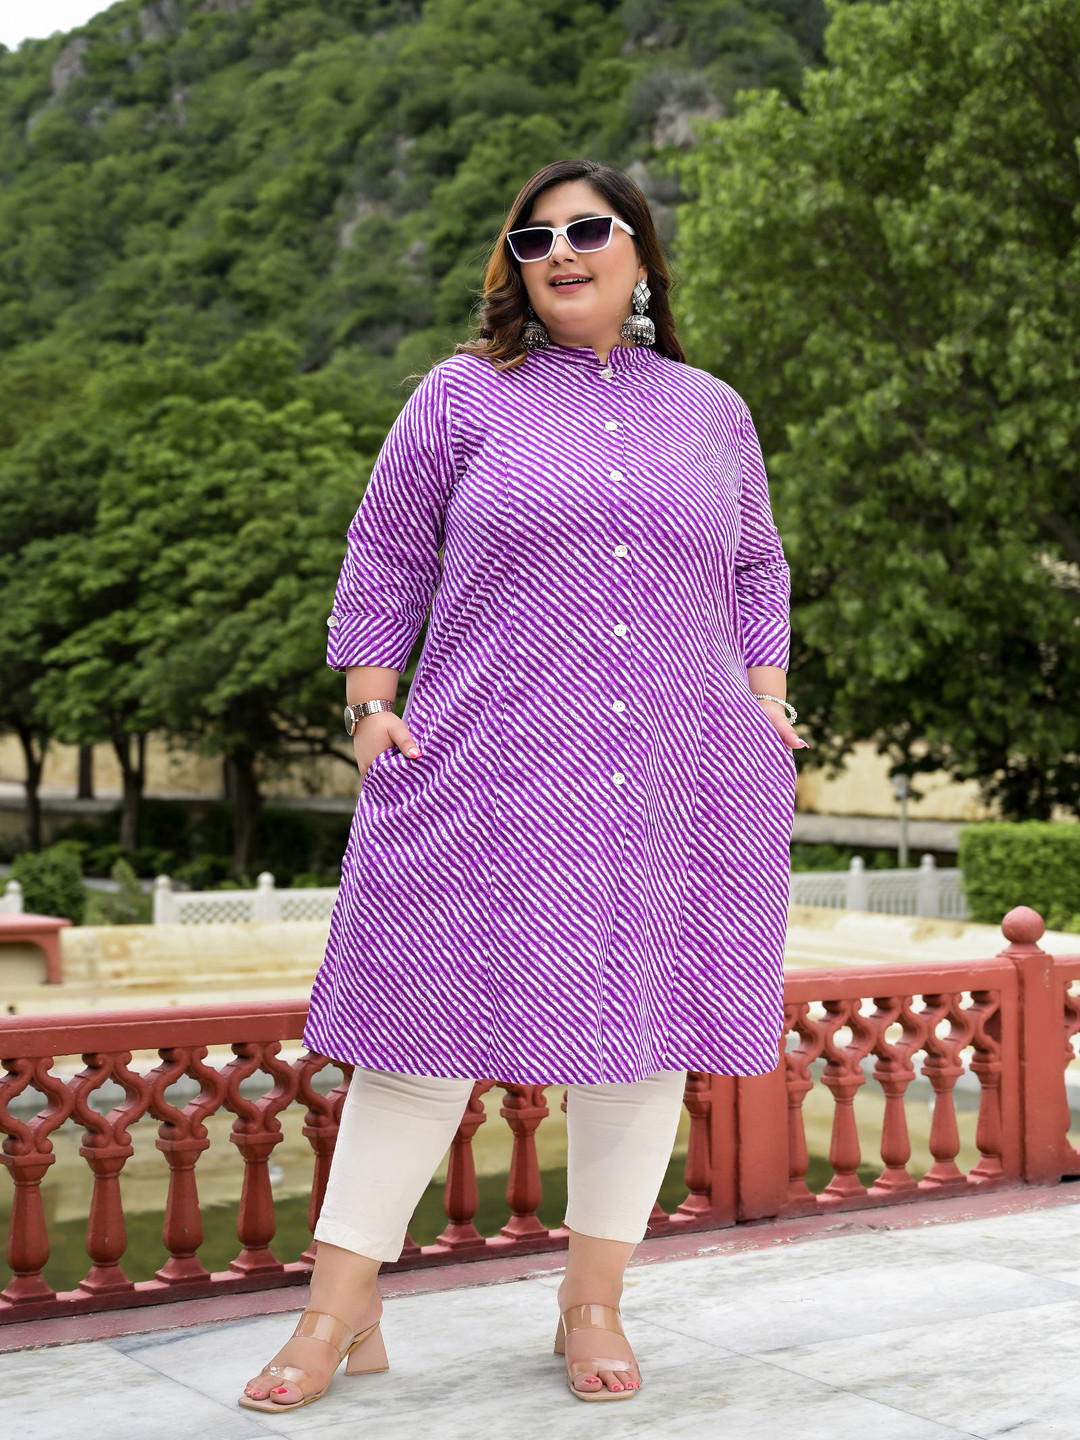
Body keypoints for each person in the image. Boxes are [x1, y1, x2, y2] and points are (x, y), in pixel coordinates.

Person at [239, 156, 805, 1413]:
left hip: (677, 773)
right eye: (536, 237)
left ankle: (591, 1300)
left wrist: (767, 700)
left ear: (639, 254)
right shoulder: (462, 395)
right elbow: (385, 549)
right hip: (486, 766)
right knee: (419, 1033)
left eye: (588, 230)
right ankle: (337, 1312)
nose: (562, 253)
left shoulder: (711, 411)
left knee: (640, 1039)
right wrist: (370, 708)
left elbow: (758, 564)